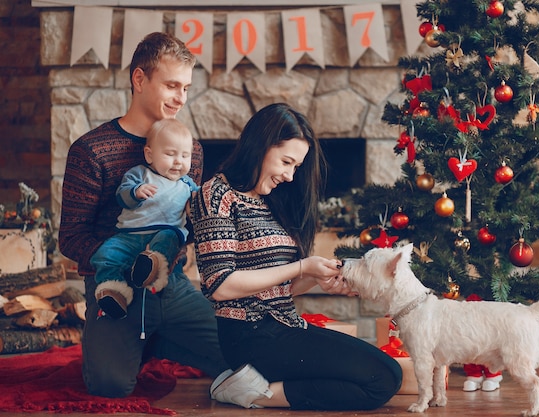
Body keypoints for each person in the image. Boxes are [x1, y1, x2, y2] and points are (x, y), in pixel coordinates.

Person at [189, 102, 402, 410]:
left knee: (387, 375)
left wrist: (315, 280)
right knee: (381, 378)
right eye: (286, 162)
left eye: (296, 167)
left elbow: (278, 287)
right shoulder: (215, 196)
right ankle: (252, 393)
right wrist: (302, 266)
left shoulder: (273, 201)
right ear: (260, 146)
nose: (290, 176)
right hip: (248, 334)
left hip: (286, 325)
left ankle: (257, 388)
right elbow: (220, 284)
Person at [58, 31, 228, 398]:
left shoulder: (190, 152)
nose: (181, 98)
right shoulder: (91, 150)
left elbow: (188, 227)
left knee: (240, 357)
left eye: (185, 88)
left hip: (173, 284)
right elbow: (70, 237)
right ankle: (131, 337)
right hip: (114, 285)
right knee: (110, 384)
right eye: (171, 85)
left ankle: (156, 339)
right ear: (139, 79)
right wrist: (125, 260)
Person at [90, 118, 199, 320]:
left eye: (185, 156)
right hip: (129, 235)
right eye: (170, 154)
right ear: (149, 155)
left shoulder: (187, 185)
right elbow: (122, 195)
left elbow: (201, 203)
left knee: (168, 239)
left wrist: (196, 203)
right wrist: (136, 192)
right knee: (104, 255)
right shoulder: (139, 174)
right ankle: (114, 292)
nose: (178, 162)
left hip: (164, 234)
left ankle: (152, 268)